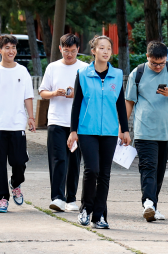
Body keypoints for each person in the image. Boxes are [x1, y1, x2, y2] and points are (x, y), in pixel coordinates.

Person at [125, 41, 168, 222]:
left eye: (161, 63)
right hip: (144, 130)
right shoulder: (137, 73)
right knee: (148, 167)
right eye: (154, 63)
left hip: (167, 131)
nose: (158, 67)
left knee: (160, 171)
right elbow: (129, 101)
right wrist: (123, 129)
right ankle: (148, 202)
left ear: (166, 59)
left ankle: (153, 205)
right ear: (147, 57)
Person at [68, 35, 129, 229]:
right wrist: (73, 131)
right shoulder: (83, 73)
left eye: (109, 49)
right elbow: (76, 104)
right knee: (91, 170)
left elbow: (120, 104)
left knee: (105, 174)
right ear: (93, 51)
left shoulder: (117, 75)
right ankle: (86, 209)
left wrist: (125, 130)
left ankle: (100, 216)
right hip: (87, 130)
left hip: (110, 131)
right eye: (101, 48)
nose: (106, 52)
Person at [0, 34, 36, 214]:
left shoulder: (22, 71)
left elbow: (28, 96)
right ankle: (2, 199)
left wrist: (31, 117)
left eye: (13, 47)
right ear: (0, 50)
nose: (11, 51)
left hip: (17, 124)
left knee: (19, 162)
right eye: (7, 48)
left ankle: (16, 183)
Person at [39, 34, 87, 212]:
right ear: (60, 49)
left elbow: (91, 95)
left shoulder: (84, 68)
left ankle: (71, 198)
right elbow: (42, 92)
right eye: (66, 51)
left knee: (74, 160)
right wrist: (54, 93)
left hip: (78, 123)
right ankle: (57, 197)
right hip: (56, 120)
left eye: (73, 51)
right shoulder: (52, 67)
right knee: (58, 159)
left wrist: (77, 94)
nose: (69, 54)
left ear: (78, 50)